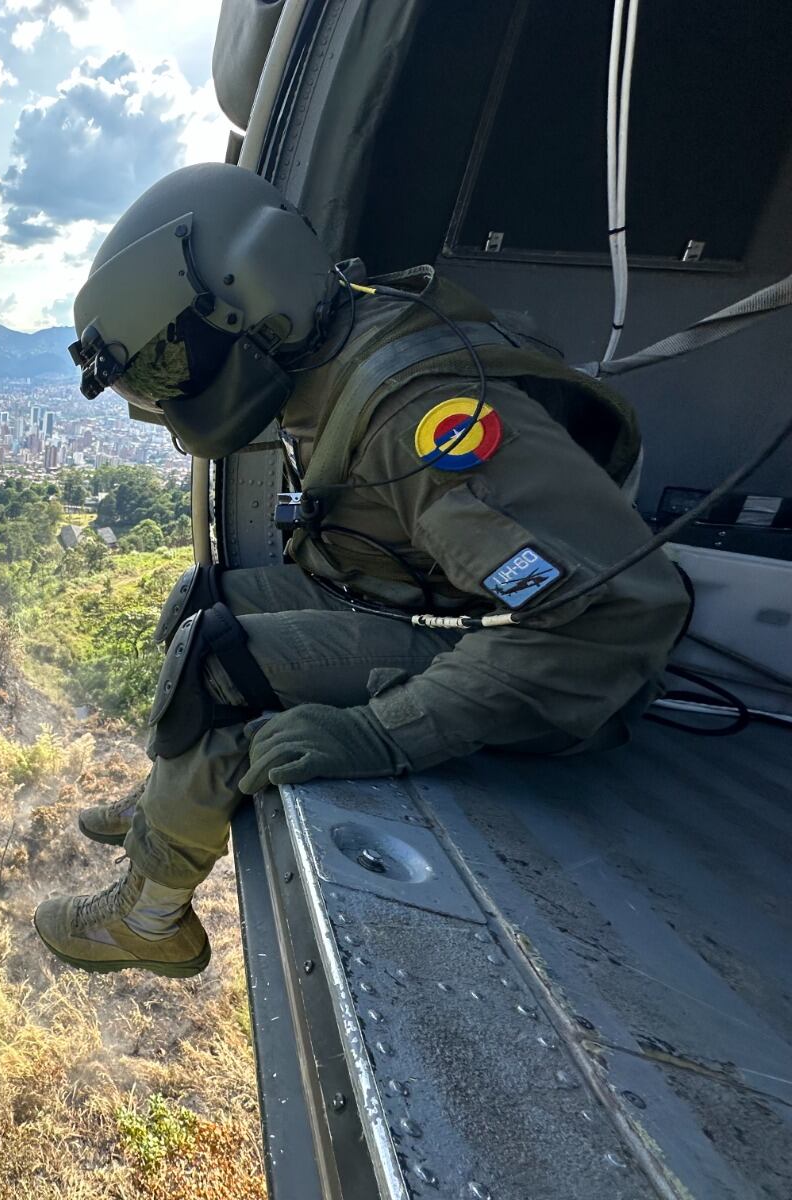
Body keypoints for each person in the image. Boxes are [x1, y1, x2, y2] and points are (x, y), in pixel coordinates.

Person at [35, 163, 690, 977]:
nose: (169, 397)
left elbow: (613, 612)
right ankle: (164, 802)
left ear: (253, 295)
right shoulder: (334, 344)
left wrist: (382, 733)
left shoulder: (418, 414)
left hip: (540, 667)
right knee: (201, 598)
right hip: (429, 597)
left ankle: (149, 916)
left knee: (221, 661)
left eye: (175, 366)